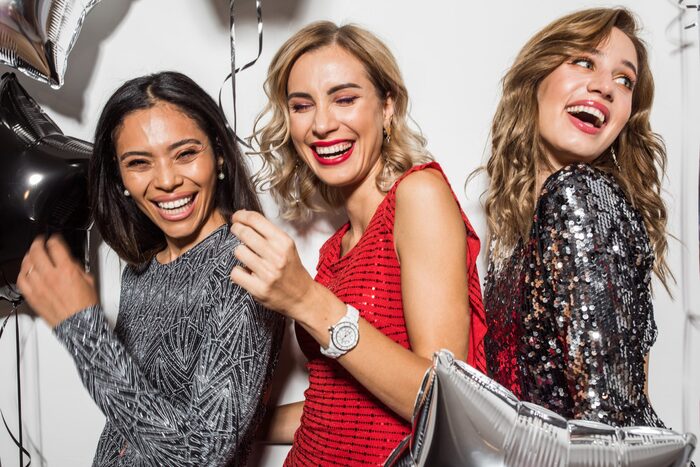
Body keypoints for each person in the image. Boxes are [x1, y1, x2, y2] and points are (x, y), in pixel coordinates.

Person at [228, 22, 487, 465]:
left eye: (345, 99)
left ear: (388, 107)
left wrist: (306, 300)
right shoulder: (336, 251)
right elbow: (339, 406)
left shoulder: (419, 195)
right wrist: (221, 426)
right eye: (301, 105)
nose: (322, 124)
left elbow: (442, 399)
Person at [17, 71, 284, 465]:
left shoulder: (245, 266)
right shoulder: (142, 270)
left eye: (186, 153)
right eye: (139, 162)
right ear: (120, 176)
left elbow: (200, 455)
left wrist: (82, 330)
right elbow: (132, 422)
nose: (166, 180)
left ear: (220, 154)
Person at [483, 8, 670, 427]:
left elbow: (608, 418)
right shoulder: (513, 229)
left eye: (625, 81)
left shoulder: (578, 193)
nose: (605, 86)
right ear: (536, 77)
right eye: (584, 61)